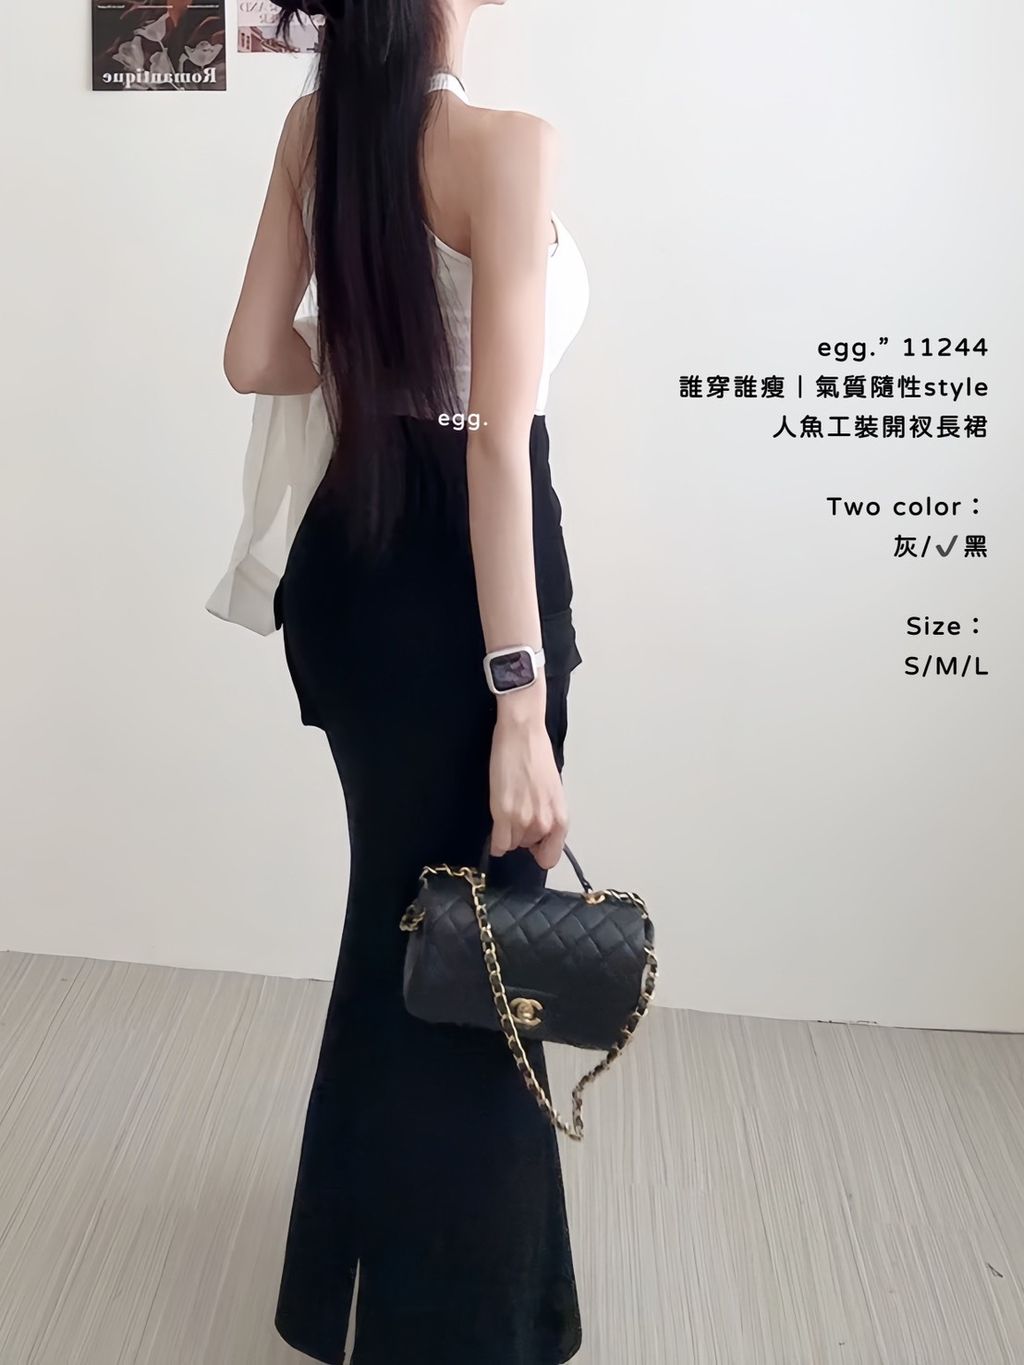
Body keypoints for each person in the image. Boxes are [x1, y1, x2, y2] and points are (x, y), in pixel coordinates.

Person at [219, 0, 590, 1360]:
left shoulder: (315, 127)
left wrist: (375, 357)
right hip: (466, 593)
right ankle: (468, 1323)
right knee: (485, 954)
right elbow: (497, 448)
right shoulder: (507, 146)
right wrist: (519, 701)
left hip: (351, 574)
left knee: (403, 923)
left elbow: (253, 354)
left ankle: (343, 1285)